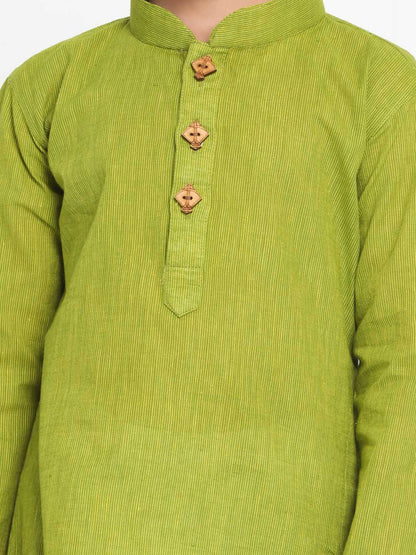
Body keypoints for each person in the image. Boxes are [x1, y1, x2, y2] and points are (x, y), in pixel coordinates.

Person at [0, 0, 415, 552]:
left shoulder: (382, 85)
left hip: (294, 523)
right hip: (72, 519)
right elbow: (10, 358)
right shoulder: (45, 87)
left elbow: (403, 360)